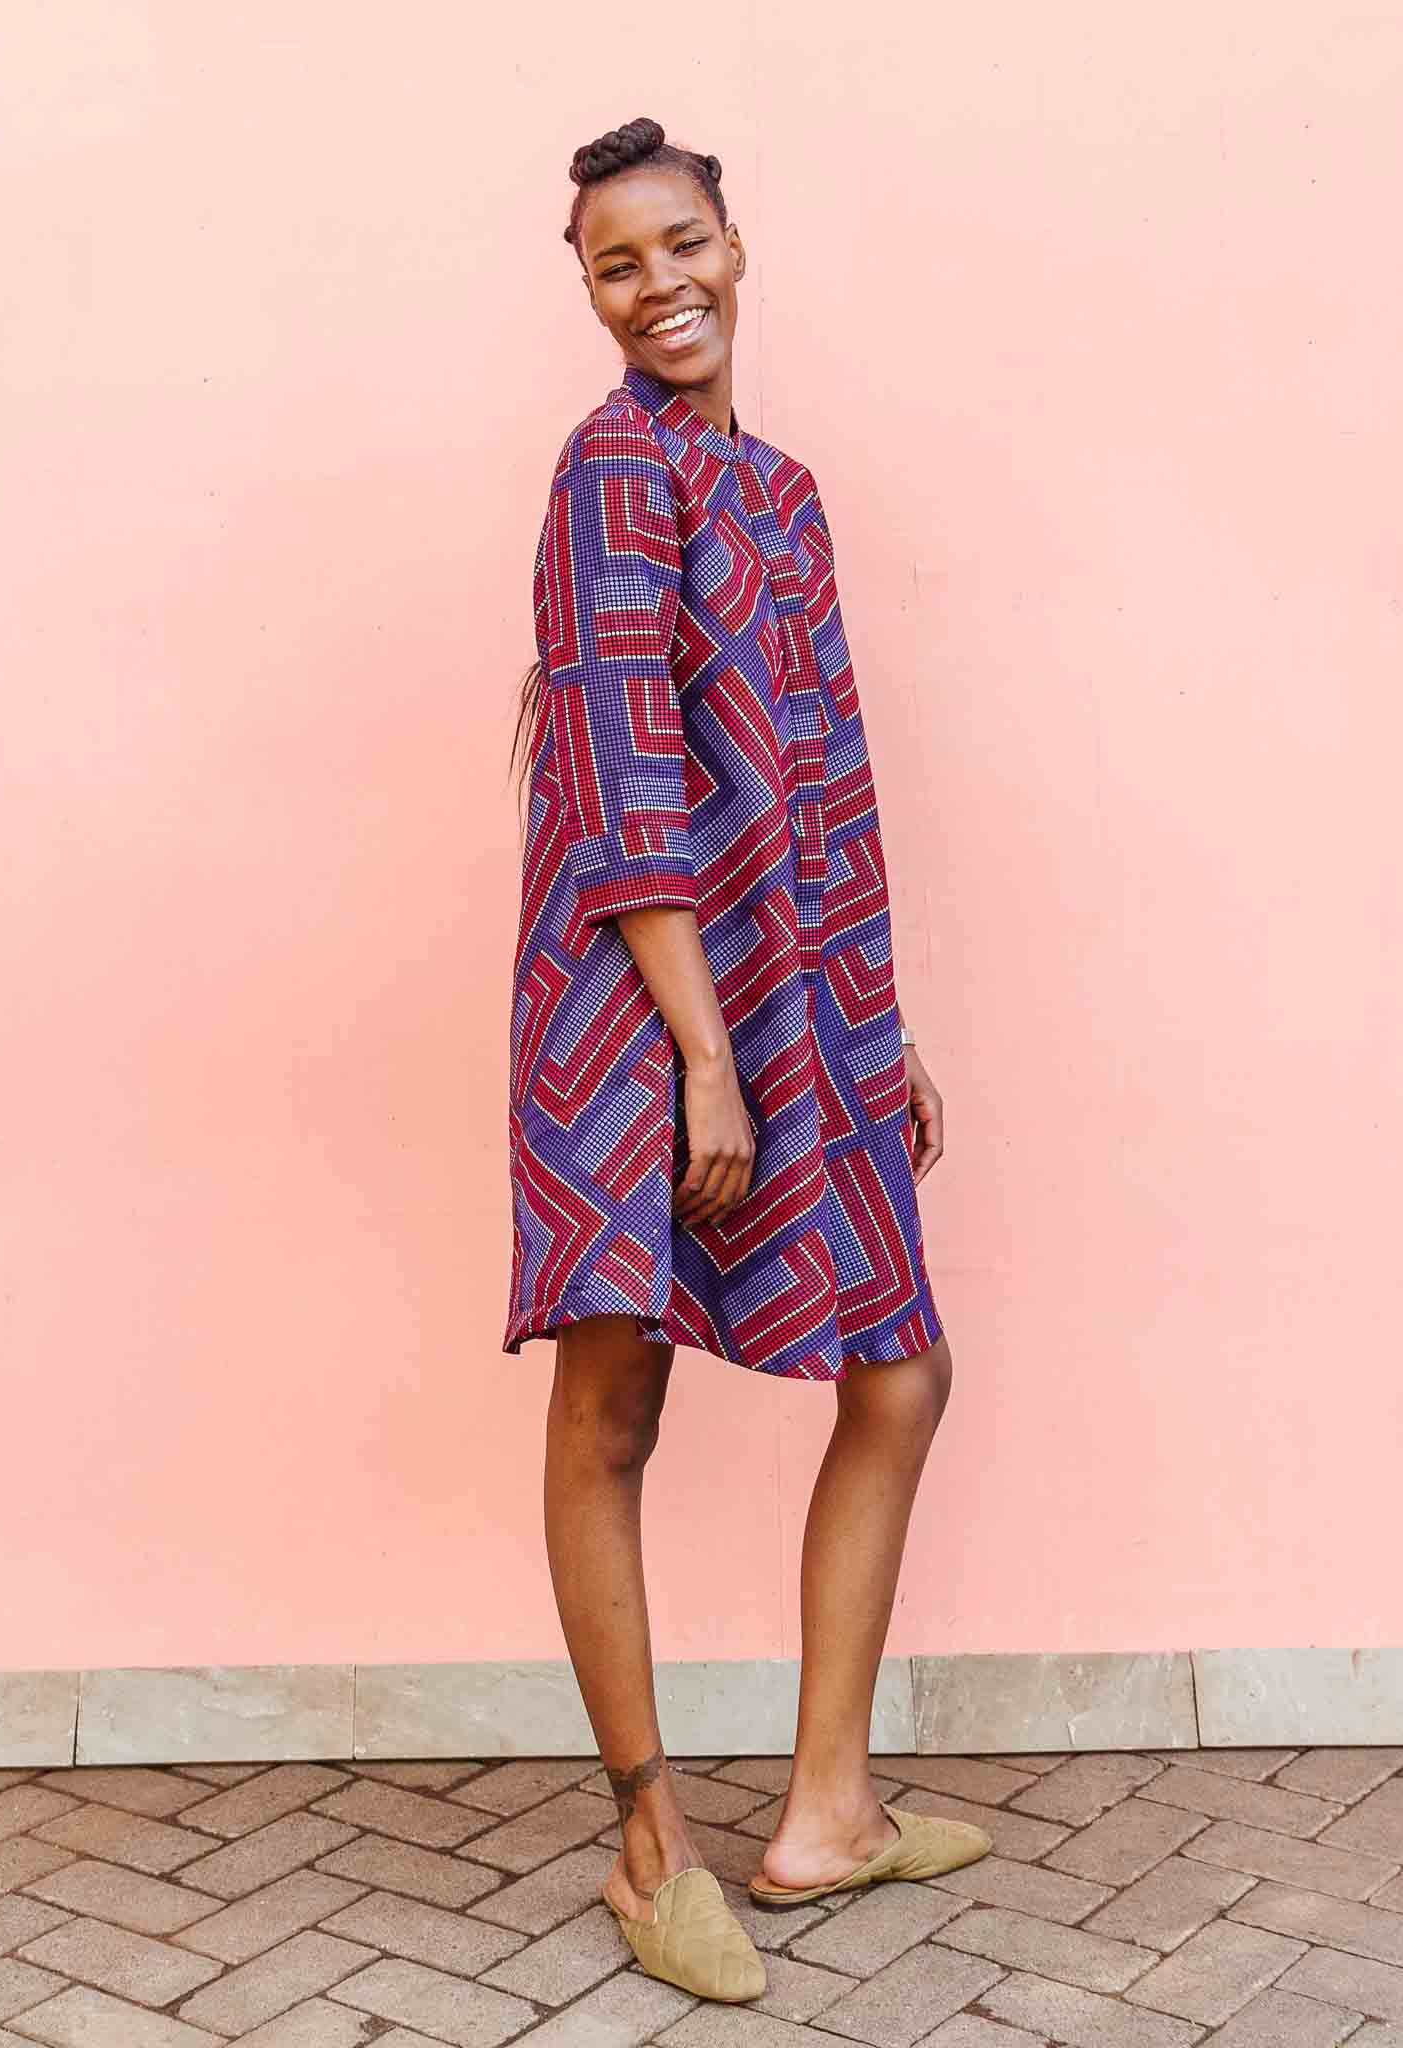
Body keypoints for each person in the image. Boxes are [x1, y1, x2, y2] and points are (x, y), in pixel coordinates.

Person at [503, 117, 990, 2003]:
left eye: (680, 241)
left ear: (734, 243)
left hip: (790, 1000)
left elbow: (818, 785)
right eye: (617, 262)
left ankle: (826, 1815)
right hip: (637, 1012)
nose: (659, 283)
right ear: (593, 292)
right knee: (616, 1402)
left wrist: (875, 1025)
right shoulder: (609, 479)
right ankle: (647, 1843)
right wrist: (704, 1059)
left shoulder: (777, 490)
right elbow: (627, 791)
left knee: (900, 1364)